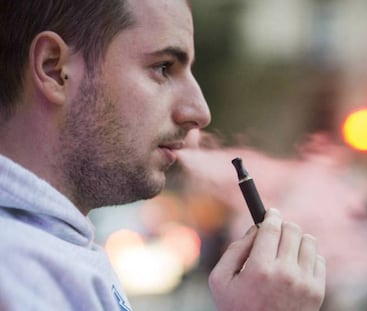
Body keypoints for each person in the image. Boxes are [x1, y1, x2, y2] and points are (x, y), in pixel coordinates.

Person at [0, 0, 326, 310]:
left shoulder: (55, 249)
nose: (199, 111)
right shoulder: (18, 275)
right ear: (54, 68)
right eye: (163, 68)